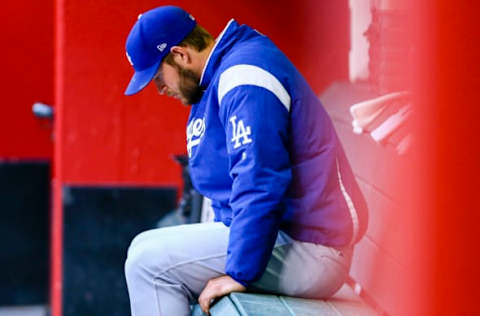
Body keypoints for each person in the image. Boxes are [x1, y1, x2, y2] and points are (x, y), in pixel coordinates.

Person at [123, 5, 368, 316]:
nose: (159, 89)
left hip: (311, 248)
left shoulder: (244, 77)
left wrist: (240, 273)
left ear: (180, 55)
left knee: (149, 266)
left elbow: (259, 181)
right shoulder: (217, 76)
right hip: (282, 238)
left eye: (158, 76)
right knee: (143, 248)